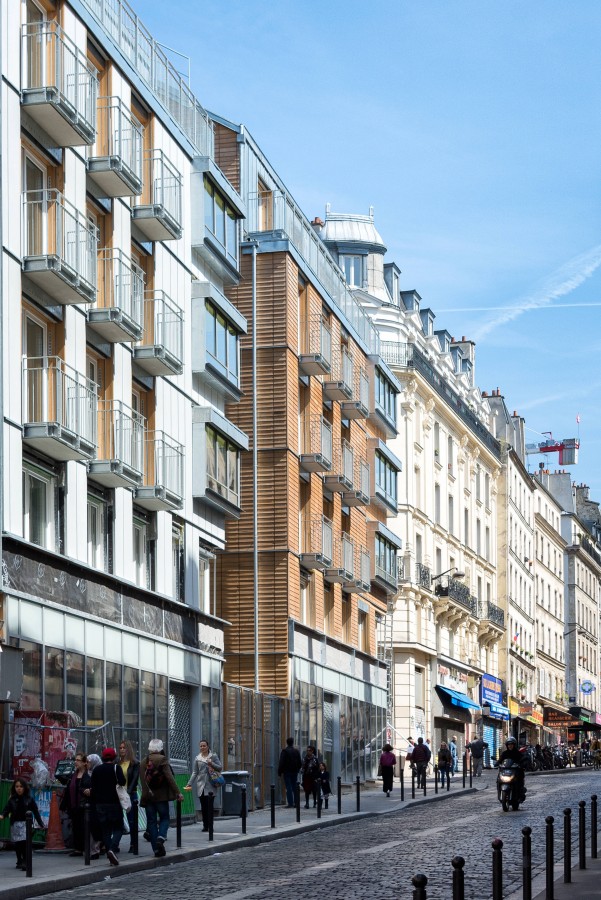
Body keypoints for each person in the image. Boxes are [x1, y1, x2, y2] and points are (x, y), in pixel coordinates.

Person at [141, 738, 183, 857]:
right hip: (161, 797)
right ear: (160, 749)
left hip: (148, 797)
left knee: (152, 822)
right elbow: (170, 778)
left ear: (149, 748)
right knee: (165, 818)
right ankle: (161, 837)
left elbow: (143, 782)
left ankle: (156, 850)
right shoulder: (162, 759)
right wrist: (178, 793)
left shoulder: (143, 761)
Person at [91, 747, 125, 866]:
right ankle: (112, 849)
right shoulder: (116, 768)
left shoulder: (97, 770)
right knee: (118, 828)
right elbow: (122, 782)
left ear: (103, 757)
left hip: (100, 804)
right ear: (114, 757)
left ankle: (110, 851)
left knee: (105, 831)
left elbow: (93, 787)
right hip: (114, 803)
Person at [0, 778, 45, 870]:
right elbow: (6, 809)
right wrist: (2, 816)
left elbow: (36, 812)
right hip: (15, 824)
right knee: (17, 844)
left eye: (21, 786)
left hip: (26, 824)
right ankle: (19, 860)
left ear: (24, 788)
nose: (19, 788)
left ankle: (25, 861)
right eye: (17, 787)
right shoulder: (12, 799)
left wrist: (41, 824)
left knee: (25, 843)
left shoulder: (29, 799)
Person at [184, 739, 222, 833]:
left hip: (211, 784)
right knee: (204, 807)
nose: (202, 747)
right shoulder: (197, 758)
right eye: (201, 746)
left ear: (208, 746)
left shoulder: (213, 756)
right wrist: (189, 783)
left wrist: (211, 763)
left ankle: (210, 826)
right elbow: (195, 772)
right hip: (200, 785)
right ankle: (205, 826)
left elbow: (220, 768)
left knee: (210, 807)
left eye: (204, 746)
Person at [59, 752, 91, 856]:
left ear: (84, 763)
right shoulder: (74, 775)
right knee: (76, 827)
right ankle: (78, 849)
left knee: (85, 827)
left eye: (78, 760)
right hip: (74, 806)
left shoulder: (88, 775)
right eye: (75, 760)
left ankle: (87, 848)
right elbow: (69, 790)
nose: (76, 762)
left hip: (85, 806)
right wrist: (64, 805)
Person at [118, 740, 140, 852]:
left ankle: (133, 843)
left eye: (124, 748)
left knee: (132, 821)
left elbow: (135, 779)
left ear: (128, 749)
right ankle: (115, 844)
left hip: (130, 793)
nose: (122, 750)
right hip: (119, 794)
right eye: (120, 748)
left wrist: (129, 792)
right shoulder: (118, 763)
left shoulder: (134, 763)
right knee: (117, 820)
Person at [495, 736, 526, 801]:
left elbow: (523, 759)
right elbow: (500, 760)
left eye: (511, 744)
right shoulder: (504, 753)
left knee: (519, 778)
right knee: (498, 779)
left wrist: (522, 764)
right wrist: (497, 763)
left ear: (514, 745)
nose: (510, 746)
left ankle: (520, 794)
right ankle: (499, 789)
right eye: (509, 745)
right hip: (506, 770)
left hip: (515, 771)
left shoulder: (517, 753)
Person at [277, 737, 302, 808]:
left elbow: (281, 762)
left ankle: (290, 803)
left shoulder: (285, 751)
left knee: (289, 787)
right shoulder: (296, 751)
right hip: (294, 772)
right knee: (294, 787)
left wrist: (279, 772)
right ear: (293, 742)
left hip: (287, 772)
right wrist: (297, 769)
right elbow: (300, 762)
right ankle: (296, 802)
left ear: (287, 742)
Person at [86, 754, 102, 859]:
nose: (87, 764)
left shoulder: (99, 771)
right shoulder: (87, 773)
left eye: (89, 762)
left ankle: (96, 849)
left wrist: (91, 791)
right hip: (89, 803)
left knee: (96, 826)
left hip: (98, 803)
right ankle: (92, 850)